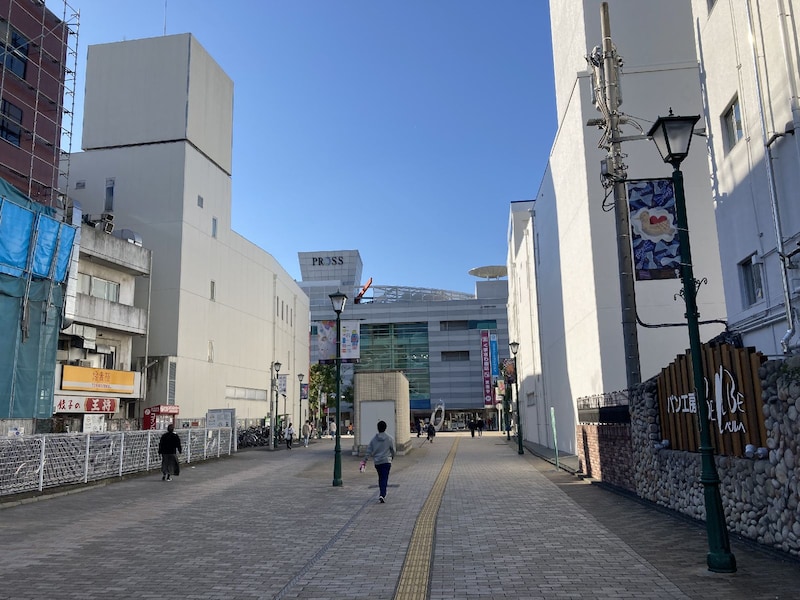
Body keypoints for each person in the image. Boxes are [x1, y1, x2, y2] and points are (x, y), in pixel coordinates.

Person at [360, 420, 396, 503]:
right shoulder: (389, 438)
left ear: (378, 428)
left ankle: (382, 492)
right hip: (386, 461)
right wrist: (392, 457)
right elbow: (393, 450)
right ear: (385, 428)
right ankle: (382, 494)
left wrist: (364, 460)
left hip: (377, 462)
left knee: (380, 477)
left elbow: (369, 451)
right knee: (384, 477)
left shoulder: (373, 440)